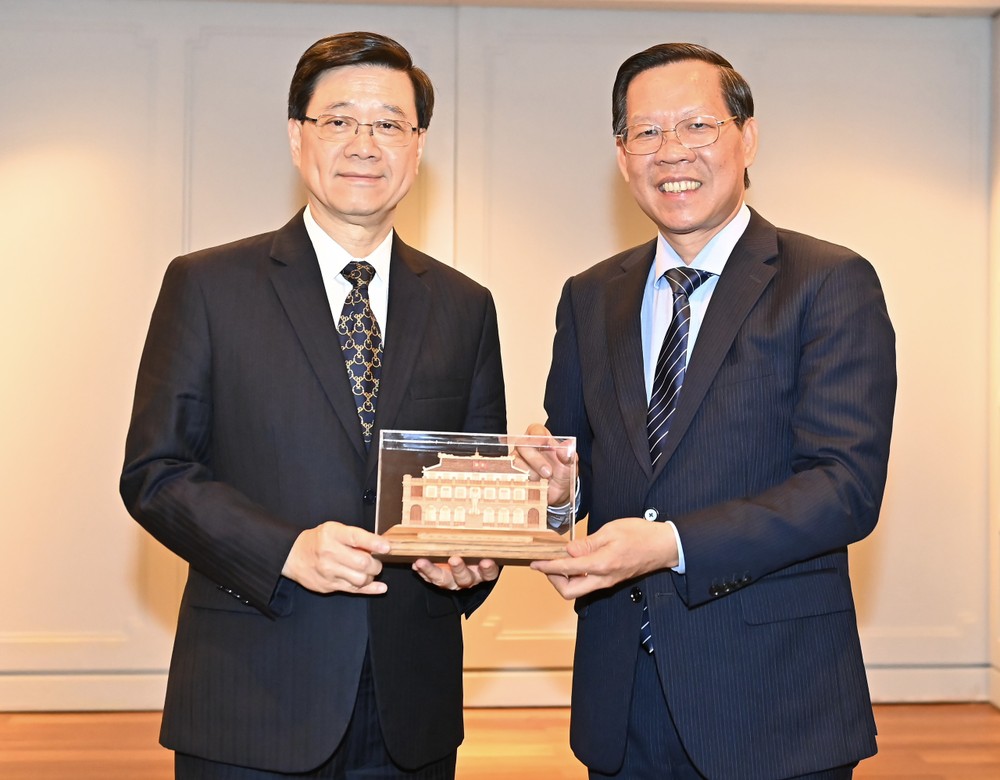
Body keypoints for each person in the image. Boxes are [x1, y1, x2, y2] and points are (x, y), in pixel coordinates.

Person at [120, 32, 505, 779]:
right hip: (250, 694)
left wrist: (473, 563)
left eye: (389, 123)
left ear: (418, 147)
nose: (365, 143)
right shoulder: (208, 286)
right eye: (339, 121)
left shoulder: (465, 306)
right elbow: (156, 474)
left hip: (411, 709)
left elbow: (472, 488)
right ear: (298, 137)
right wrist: (287, 550)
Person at [521, 43, 896, 779]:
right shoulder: (590, 295)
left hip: (772, 698)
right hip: (621, 696)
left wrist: (669, 543)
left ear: (746, 137)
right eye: (646, 132)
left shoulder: (828, 281)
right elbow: (581, 464)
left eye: (697, 125)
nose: (671, 151)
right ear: (622, 155)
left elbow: (844, 488)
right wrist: (559, 492)